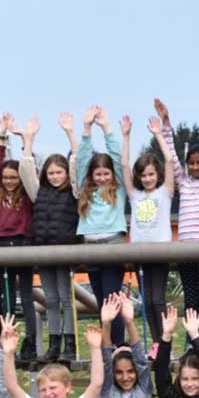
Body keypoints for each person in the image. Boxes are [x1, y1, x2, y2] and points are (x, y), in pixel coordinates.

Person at [19, 113, 80, 364]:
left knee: (66, 298)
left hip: (64, 251)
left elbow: (78, 163)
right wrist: (29, 141)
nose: (55, 176)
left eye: (59, 172)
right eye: (51, 173)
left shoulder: (73, 191)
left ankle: (69, 342)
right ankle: (53, 345)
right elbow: (26, 171)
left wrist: (70, 134)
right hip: (43, 251)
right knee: (51, 299)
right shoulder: (39, 193)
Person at [156, 96, 199, 343]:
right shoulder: (184, 182)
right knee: (191, 298)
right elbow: (171, 157)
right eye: (191, 163)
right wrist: (166, 123)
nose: (195, 166)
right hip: (186, 248)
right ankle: (192, 340)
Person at [121, 114, 177, 350]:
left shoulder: (165, 192)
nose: (147, 179)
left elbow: (170, 161)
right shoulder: (135, 195)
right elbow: (124, 165)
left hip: (160, 249)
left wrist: (158, 135)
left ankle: (164, 341)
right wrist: (126, 135)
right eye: (143, 175)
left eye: (151, 174)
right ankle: (156, 343)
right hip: (140, 252)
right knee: (147, 301)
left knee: (157, 300)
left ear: (158, 176)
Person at [77, 105, 128, 347]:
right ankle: (108, 344)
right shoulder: (85, 190)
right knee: (100, 300)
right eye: (98, 174)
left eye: (106, 173)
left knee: (111, 298)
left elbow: (118, 159)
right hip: (89, 245)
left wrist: (106, 128)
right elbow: (83, 160)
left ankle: (117, 344)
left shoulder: (118, 189)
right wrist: (86, 129)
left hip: (113, 243)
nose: (102, 178)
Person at [0, 113, 38, 364]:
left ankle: (31, 342)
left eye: (14, 178)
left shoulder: (27, 196)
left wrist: (26, 141)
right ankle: (6, 339)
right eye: (7, 178)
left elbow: (29, 168)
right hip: (2, 243)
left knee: (27, 296)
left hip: (23, 243)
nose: (10, 181)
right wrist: (1, 136)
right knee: (7, 297)